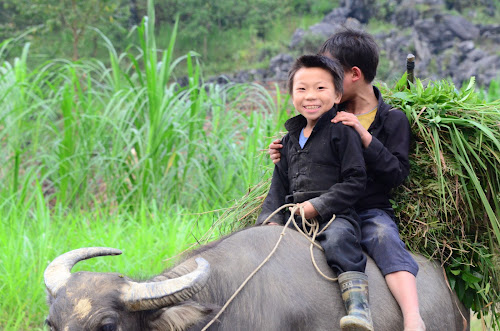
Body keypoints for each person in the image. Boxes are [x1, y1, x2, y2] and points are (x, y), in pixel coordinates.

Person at [268, 29, 426, 331]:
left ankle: (412, 316)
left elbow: (396, 174)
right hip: (322, 203)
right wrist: (286, 152)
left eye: (330, 72)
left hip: (366, 208)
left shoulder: (392, 119)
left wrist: (364, 135)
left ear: (353, 75)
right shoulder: (327, 113)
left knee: (383, 236)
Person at [256, 54, 374, 331]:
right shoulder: (288, 139)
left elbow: (355, 180)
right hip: (293, 216)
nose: (311, 96)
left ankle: (359, 308)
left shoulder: (342, 132)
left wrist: (317, 206)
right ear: (291, 95)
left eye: (320, 89)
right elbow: (279, 184)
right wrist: (269, 220)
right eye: (302, 89)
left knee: (339, 240)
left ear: (336, 95)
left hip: (335, 215)